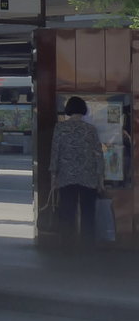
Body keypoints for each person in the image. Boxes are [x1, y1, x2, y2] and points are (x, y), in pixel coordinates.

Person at [49, 96, 105, 249]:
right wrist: (100, 179)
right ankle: (87, 246)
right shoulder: (91, 130)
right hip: (88, 177)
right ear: (83, 110)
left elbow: (55, 153)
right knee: (88, 213)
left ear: (69, 109)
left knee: (67, 213)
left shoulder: (60, 128)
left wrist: (54, 176)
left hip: (66, 177)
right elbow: (98, 155)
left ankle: (67, 246)